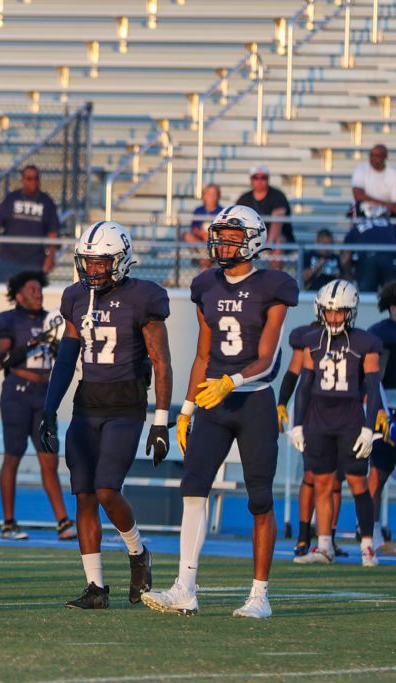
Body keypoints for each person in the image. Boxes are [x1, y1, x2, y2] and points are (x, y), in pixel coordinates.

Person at [143, 205, 299, 619]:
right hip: (212, 401)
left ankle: (259, 595)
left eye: (232, 236)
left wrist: (233, 381)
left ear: (253, 240)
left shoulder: (274, 286)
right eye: (221, 235)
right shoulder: (206, 285)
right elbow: (202, 353)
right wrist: (187, 407)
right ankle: (185, 588)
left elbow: (267, 359)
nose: (223, 243)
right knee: (193, 488)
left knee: (260, 498)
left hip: (254, 399)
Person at [39, 220, 172, 610]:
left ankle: (137, 552)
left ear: (121, 261)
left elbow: (161, 362)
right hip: (86, 404)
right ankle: (96, 587)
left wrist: (160, 418)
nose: (92, 270)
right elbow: (67, 358)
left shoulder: (143, 297)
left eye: (101, 263)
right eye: (88, 262)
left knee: (106, 489)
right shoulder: (75, 297)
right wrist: (49, 408)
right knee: (83, 494)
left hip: (126, 405)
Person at [289, 280, 385, 567]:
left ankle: (367, 545)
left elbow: (373, 387)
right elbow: (304, 385)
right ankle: (324, 545)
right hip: (318, 420)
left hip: (350, 419)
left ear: (350, 312)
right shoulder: (312, 340)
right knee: (322, 482)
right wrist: (297, 424)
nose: (333, 318)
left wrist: (369, 428)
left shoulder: (364, 342)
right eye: (329, 312)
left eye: (340, 312)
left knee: (357, 483)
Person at [0, 271, 76, 541]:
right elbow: (0, 360)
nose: (38, 294)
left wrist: (55, 345)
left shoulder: (53, 320)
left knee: (49, 458)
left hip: (44, 395)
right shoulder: (8, 320)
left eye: (39, 289)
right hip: (17, 392)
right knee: (12, 457)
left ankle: (63, 521)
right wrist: (34, 342)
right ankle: (8, 522)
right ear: (18, 295)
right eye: (31, 290)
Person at [275, 318, 347, 558]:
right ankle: (304, 535)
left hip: (341, 415)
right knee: (311, 475)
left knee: (336, 479)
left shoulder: (352, 340)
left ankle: (329, 537)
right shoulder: (308, 338)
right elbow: (293, 374)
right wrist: (282, 403)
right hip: (311, 414)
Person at [0, 165, 60, 283]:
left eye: (36, 178)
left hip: (34, 262)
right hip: (8, 260)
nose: (33, 181)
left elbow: (53, 232)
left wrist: (51, 256)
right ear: (22, 180)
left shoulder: (47, 201)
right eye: (29, 178)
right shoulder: (12, 198)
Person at [368, 280, 396, 552]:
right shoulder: (381, 334)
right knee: (378, 473)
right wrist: (379, 410)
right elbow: (374, 377)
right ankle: (371, 532)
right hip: (386, 409)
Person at [236, 164, 292, 252]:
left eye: (263, 177)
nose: (259, 180)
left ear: (268, 179)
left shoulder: (277, 195)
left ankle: (274, 266)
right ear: (251, 179)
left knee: (278, 241)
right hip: (251, 236)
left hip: (274, 238)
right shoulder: (244, 198)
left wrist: (268, 245)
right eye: (255, 177)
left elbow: (277, 222)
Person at [184, 184, 222, 272]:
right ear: (204, 196)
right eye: (209, 194)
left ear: (218, 196)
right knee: (187, 236)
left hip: (214, 243)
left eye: (214, 194)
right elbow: (194, 229)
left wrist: (210, 236)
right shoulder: (198, 210)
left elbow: (223, 231)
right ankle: (205, 259)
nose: (211, 197)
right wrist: (202, 234)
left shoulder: (221, 211)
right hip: (201, 243)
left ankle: (205, 261)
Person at [352, 144, 396, 213]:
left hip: (386, 213)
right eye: (371, 155)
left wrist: (382, 206)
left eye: (378, 156)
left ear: (385, 157)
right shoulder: (361, 170)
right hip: (363, 211)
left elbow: (394, 205)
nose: (373, 158)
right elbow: (358, 195)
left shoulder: (393, 174)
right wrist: (384, 204)